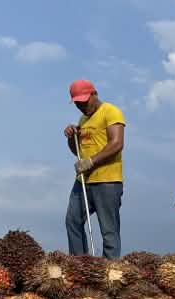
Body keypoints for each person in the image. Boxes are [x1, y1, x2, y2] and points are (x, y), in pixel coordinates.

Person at [63, 79, 126, 259]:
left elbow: (117, 143)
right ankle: (80, 265)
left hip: (107, 181)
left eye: (85, 101)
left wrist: (91, 161)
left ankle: (110, 271)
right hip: (84, 180)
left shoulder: (111, 112)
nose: (82, 106)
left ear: (94, 94)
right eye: (78, 103)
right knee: (73, 220)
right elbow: (78, 151)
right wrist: (71, 137)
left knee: (109, 230)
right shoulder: (83, 119)